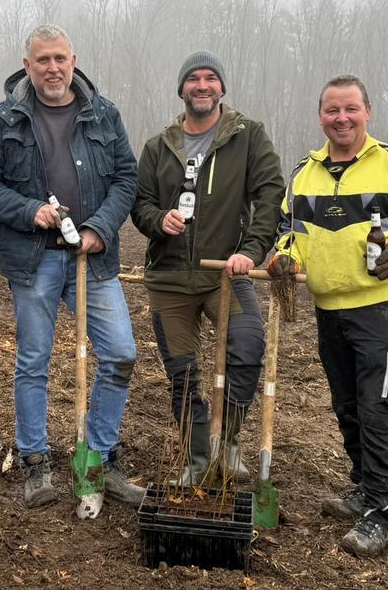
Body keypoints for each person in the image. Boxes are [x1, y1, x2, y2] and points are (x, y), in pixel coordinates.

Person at [270, 75, 388, 556]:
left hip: (384, 310)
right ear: (320, 117)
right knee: (348, 406)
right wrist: (285, 256)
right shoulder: (303, 173)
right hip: (329, 310)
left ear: (367, 111)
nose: (341, 118)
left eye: (350, 108)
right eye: (332, 110)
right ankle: (365, 487)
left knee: (383, 410)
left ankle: (384, 511)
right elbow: (287, 229)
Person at [0, 24, 144, 514]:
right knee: (34, 361)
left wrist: (100, 227)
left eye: (60, 58)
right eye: (42, 60)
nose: (53, 68)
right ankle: (35, 459)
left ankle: (102, 457)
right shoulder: (7, 119)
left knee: (121, 353)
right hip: (34, 258)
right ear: (28, 66)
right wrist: (29, 211)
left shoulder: (103, 114)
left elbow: (126, 177)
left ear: (73, 59)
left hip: (93, 257)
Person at [130, 50, 284, 486]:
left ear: (222, 87)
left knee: (247, 346)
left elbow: (270, 195)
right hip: (170, 278)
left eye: (210, 77)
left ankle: (228, 439)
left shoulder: (248, 136)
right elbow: (139, 204)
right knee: (182, 374)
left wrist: (251, 251)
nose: (202, 85)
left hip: (226, 274)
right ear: (181, 89)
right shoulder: (158, 147)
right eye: (193, 78)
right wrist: (159, 220)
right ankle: (198, 457)